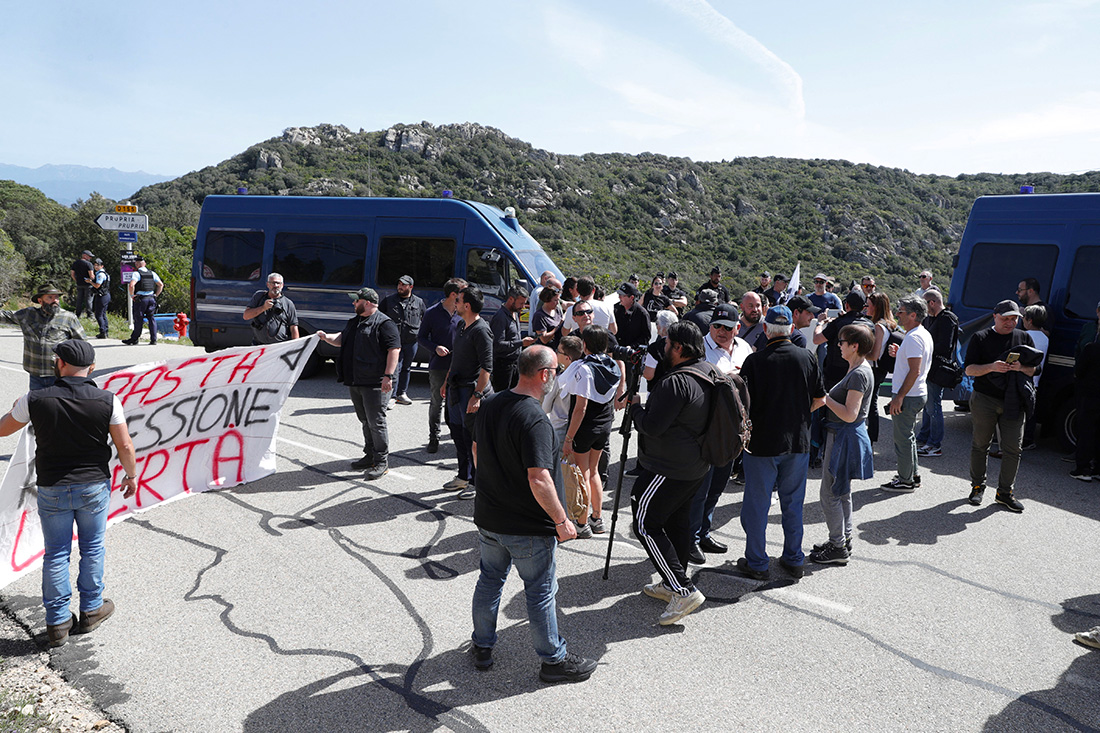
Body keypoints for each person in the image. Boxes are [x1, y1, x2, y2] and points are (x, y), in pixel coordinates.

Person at [470, 345, 597, 683]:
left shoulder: (491, 403)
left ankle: (482, 646)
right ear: (544, 375)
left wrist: (495, 487)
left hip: (489, 517)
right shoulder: (535, 418)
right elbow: (538, 477)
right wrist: (561, 520)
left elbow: (476, 450)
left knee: (489, 580)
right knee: (540, 591)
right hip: (527, 525)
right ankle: (553, 661)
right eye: (555, 372)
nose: (555, 378)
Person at [0, 339, 138, 647]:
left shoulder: (34, 399)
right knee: (92, 548)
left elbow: (3, 429)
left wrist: (15, 408)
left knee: (57, 552)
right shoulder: (108, 400)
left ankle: (57, 623)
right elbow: (125, 445)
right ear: (91, 368)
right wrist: (131, 476)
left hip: (52, 487)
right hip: (93, 486)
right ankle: (91, 610)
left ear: (59, 364)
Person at [630, 321, 712, 625]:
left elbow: (652, 426)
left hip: (669, 467)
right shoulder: (708, 371)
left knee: (644, 522)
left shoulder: (675, 381)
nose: (663, 347)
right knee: (677, 521)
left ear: (678, 348)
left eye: (666, 343)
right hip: (697, 466)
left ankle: (682, 589)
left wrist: (637, 407)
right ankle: (671, 581)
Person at [737, 305, 826, 580]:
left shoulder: (755, 361)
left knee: (757, 506)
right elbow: (819, 399)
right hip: (797, 442)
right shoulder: (807, 357)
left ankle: (757, 562)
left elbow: (743, 404)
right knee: (793, 504)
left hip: (762, 444)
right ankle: (794, 558)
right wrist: (797, 415)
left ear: (765, 329)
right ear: (791, 329)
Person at [688, 304, 751, 564]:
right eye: (716, 326)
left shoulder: (745, 349)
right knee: (700, 488)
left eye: (727, 327)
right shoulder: (700, 349)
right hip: (706, 428)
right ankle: (689, 538)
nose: (721, 332)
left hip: (732, 430)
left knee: (717, 486)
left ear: (737, 328)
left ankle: (704, 532)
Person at [808, 324, 876, 565]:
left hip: (843, 437)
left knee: (829, 494)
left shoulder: (858, 374)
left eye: (842, 342)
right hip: (845, 437)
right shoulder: (858, 369)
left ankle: (838, 546)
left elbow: (850, 414)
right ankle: (843, 540)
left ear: (854, 346)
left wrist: (825, 399)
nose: (838, 345)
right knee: (842, 491)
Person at [316, 287, 400, 481]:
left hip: (375, 382)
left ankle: (381, 461)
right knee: (365, 420)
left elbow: (394, 349)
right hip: (356, 380)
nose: (353, 303)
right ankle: (369, 455)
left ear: (368, 303)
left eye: (357, 301)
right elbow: (342, 339)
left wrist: (388, 376)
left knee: (376, 422)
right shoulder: (355, 322)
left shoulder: (385, 323)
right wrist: (325, 337)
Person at [963, 300, 1039, 512]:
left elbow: (1035, 369)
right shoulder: (981, 337)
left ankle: (1005, 493)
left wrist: (1021, 367)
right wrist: (991, 367)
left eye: (1014, 318)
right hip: (985, 398)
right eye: (1005, 318)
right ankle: (977, 486)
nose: (1010, 322)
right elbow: (969, 370)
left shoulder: (1023, 337)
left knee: (1013, 448)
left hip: (1014, 400)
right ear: (994, 316)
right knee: (980, 444)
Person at [560, 326, 621, 535]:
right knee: (594, 471)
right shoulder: (613, 365)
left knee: (582, 473)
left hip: (585, 427)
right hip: (604, 425)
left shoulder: (584, 368)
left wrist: (569, 438)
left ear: (585, 345)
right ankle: (597, 518)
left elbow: (580, 408)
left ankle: (582, 523)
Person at [443, 286, 494, 499]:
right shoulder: (462, 326)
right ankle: (463, 476)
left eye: (458, 300)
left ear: (467, 305)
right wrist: (446, 381)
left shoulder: (481, 330)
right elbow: (457, 359)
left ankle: (478, 484)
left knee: (473, 440)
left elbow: (487, 367)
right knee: (457, 433)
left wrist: (478, 395)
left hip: (471, 392)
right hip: (456, 390)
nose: (454, 302)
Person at [880, 296, 934, 493]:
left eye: (901, 311)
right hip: (916, 393)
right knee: (908, 437)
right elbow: (913, 364)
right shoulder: (921, 334)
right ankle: (912, 474)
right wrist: (900, 352)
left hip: (909, 395)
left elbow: (914, 371)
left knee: (902, 439)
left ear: (913, 315)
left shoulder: (913, 338)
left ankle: (905, 480)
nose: (897, 314)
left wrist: (899, 397)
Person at [0, 284, 86, 390]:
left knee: (57, 405)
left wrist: (89, 363)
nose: (55, 301)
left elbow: (83, 344)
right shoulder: (28, 315)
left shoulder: (68, 318)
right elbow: (5, 316)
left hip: (58, 375)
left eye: (56, 297)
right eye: (50, 297)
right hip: (35, 375)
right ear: (40, 301)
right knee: (37, 404)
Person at [416, 278, 465, 454]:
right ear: (453, 294)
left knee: (456, 402)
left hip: (459, 365)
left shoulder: (464, 311)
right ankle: (434, 437)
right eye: (462, 292)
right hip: (439, 365)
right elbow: (421, 337)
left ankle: (455, 435)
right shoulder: (432, 313)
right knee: (437, 402)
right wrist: (435, 348)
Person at [916, 289, 960, 458]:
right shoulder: (932, 319)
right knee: (928, 406)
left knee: (934, 406)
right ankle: (924, 437)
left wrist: (924, 349)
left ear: (932, 303)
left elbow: (945, 347)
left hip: (937, 369)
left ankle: (934, 444)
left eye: (924, 305)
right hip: (929, 368)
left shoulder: (947, 319)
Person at [379, 275, 426, 407]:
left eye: (403, 285)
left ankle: (401, 393)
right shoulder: (389, 301)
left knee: (406, 368)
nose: (400, 287)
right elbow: (378, 317)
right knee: (395, 368)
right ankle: (391, 396)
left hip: (411, 341)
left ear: (410, 287)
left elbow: (425, 319)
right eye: (399, 284)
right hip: (394, 342)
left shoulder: (419, 302)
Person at [1071, 303, 1100, 481]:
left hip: (1089, 393)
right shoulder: (1088, 332)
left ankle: (1083, 468)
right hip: (1090, 392)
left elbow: (1080, 369)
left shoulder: (1091, 348)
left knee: (1087, 429)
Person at [864, 291, 897, 444]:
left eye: (869, 305)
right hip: (881, 370)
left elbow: (875, 355)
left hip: (874, 370)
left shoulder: (878, 326)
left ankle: (870, 439)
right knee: (873, 403)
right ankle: (872, 438)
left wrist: (857, 355)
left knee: (870, 406)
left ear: (876, 307)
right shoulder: (889, 324)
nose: (866, 308)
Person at [489, 286, 533, 393]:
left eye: (524, 303)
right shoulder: (500, 317)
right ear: (511, 299)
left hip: (515, 364)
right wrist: (521, 343)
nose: (523, 307)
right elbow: (498, 345)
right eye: (521, 303)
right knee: (502, 399)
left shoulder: (515, 313)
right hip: (503, 366)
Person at [1020, 304, 1049, 450]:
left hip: (1022, 378)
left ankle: (1015, 441)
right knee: (1030, 411)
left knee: (1017, 412)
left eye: (1024, 318)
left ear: (1029, 320)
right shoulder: (1045, 338)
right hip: (1035, 380)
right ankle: (1028, 439)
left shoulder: (1025, 336)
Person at [242, 272, 299, 345]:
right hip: (259, 345)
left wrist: (296, 347)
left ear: (282, 285)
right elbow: (246, 316)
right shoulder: (259, 296)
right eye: (273, 283)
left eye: (278, 283)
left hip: (278, 346)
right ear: (268, 284)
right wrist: (263, 308)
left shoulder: (288, 303)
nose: (275, 286)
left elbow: (294, 327)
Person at [122, 254, 163, 345]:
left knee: (138, 319)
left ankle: (134, 339)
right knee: (151, 319)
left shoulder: (136, 274)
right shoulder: (152, 273)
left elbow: (132, 285)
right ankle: (153, 339)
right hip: (151, 299)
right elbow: (160, 285)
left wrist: (132, 296)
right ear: (144, 264)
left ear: (137, 264)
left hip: (141, 300)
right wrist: (156, 295)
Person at [614, 282, 650, 347]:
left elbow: (646, 337)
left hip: (633, 352)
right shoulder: (616, 309)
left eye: (622, 295)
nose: (619, 297)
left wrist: (631, 346)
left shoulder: (642, 314)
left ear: (631, 298)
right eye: (619, 294)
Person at [530, 285, 564, 351]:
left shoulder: (557, 310)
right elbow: (544, 339)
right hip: (545, 350)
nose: (557, 303)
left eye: (558, 300)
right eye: (555, 300)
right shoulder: (539, 316)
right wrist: (558, 327)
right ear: (547, 300)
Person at [69, 250, 95, 318]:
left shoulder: (75, 263)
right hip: (88, 284)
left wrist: (76, 280)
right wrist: (93, 280)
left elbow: (72, 274)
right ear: (84, 255)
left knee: (79, 300)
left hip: (79, 284)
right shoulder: (89, 264)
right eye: (89, 256)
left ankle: (78, 314)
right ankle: (90, 315)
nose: (90, 258)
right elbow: (91, 276)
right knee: (88, 300)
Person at [90, 259, 111, 339]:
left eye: (97, 265)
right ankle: (105, 331)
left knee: (98, 314)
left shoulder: (100, 275)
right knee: (103, 314)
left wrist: (90, 282)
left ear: (102, 266)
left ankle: (103, 332)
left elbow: (97, 285)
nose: (96, 267)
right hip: (106, 295)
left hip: (102, 295)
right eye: (95, 265)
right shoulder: (105, 273)